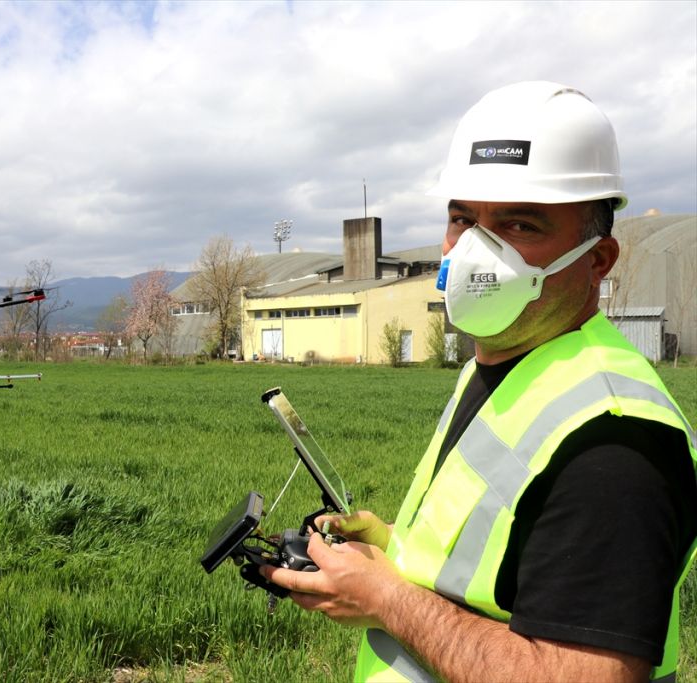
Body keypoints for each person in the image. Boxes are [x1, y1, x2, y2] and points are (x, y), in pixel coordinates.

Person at [262, 81, 697, 682]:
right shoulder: (499, 367)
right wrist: (391, 549)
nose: (475, 251)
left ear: (597, 260)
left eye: (519, 225)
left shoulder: (614, 442)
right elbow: (494, 566)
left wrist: (386, 598)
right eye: (463, 219)